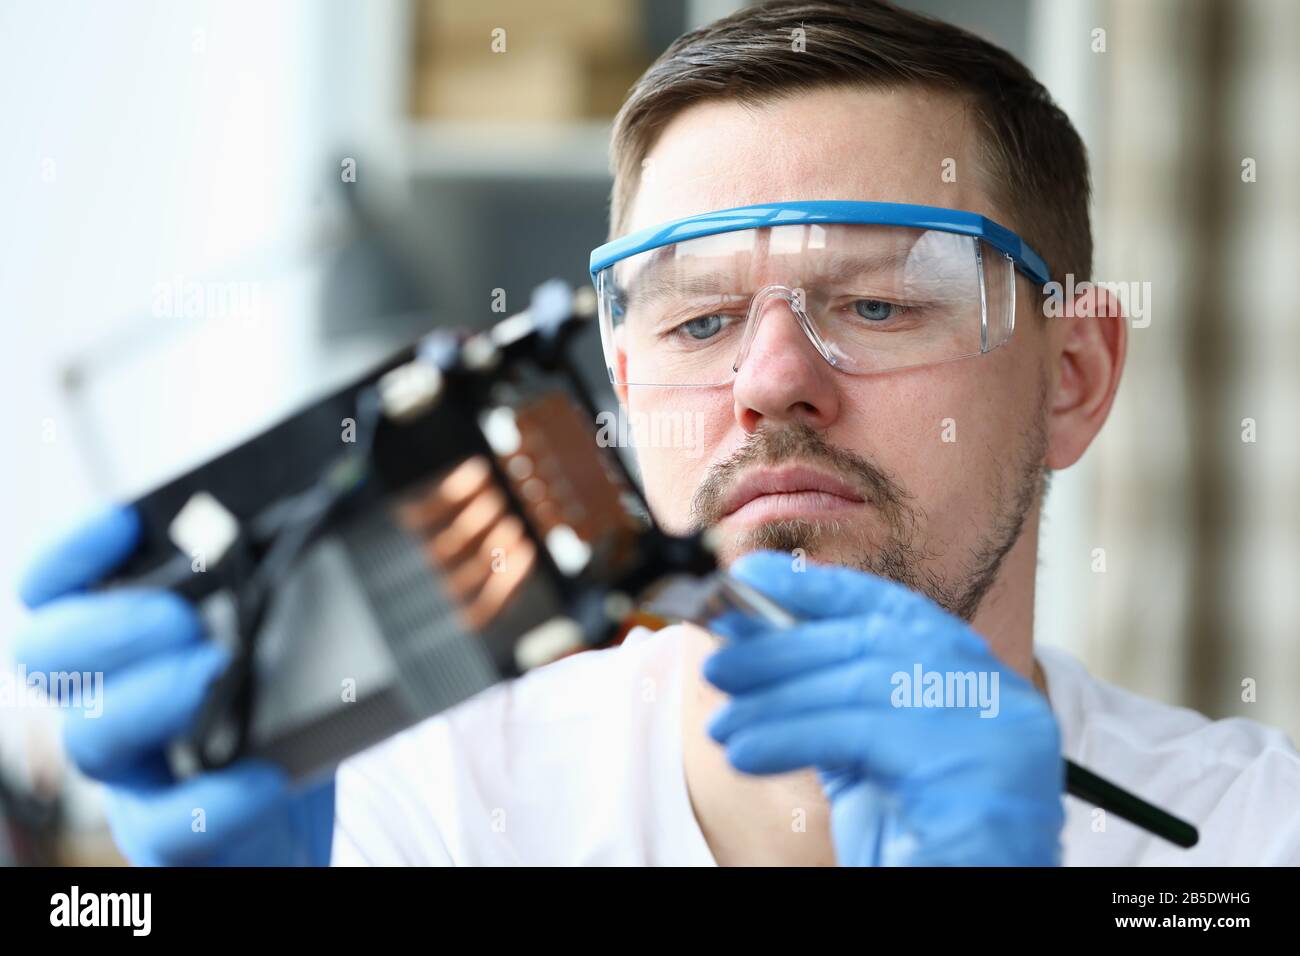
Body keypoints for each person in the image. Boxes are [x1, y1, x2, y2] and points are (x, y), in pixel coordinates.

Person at [14, 0, 1300, 866]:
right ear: (620, 392)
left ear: (1072, 376)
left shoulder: (1241, 835)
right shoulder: (434, 801)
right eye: (697, 324)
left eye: (878, 300)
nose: (771, 380)